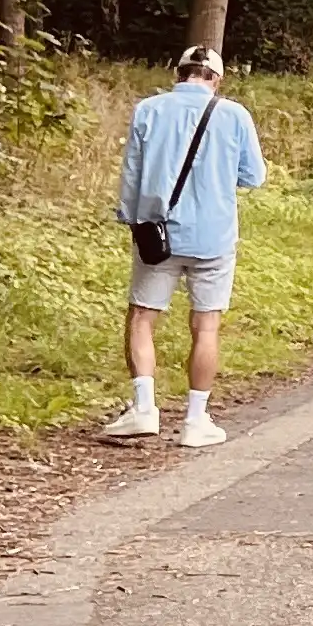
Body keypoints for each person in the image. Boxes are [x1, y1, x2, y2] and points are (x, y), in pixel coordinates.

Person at [104, 46, 265, 447]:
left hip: (158, 234)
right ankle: (196, 420)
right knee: (205, 325)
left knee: (142, 317)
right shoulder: (235, 115)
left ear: (177, 73)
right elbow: (253, 175)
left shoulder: (148, 110)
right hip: (214, 236)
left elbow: (132, 174)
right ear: (216, 78)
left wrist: (130, 219)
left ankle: (144, 409)